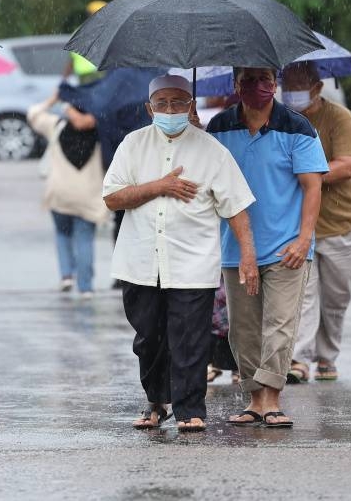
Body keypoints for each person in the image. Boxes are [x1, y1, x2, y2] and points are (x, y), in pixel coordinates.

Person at [104, 74, 257, 433]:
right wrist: (160, 186)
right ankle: (156, 402)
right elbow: (111, 197)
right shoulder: (132, 145)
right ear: (149, 108)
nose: (169, 110)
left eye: (177, 103)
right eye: (162, 104)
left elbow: (236, 206)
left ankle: (190, 408)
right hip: (140, 262)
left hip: (192, 261)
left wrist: (248, 256)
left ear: (191, 106)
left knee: (190, 338)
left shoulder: (212, 151)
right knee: (148, 339)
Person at [206, 67, 327, 428]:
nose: (257, 87)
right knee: (242, 329)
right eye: (248, 80)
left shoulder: (298, 127)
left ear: (275, 84)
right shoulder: (218, 129)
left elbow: (313, 186)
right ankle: (254, 399)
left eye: (264, 79)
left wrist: (304, 238)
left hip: (287, 246)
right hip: (234, 246)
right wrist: (193, 133)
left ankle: (272, 398)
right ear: (235, 85)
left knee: (279, 324)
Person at [281, 62, 351, 383]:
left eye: (299, 85)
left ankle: (327, 355)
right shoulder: (282, 120)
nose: (292, 93)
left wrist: (307, 173)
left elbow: (347, 166)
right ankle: (298, 358)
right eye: (286, 85)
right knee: (303, 294)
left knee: (335, 297)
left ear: (317, 87)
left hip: (340, 223)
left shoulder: (339, 119)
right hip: (299, 224)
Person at [28, 91, 107, 297]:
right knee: (85, 239)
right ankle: (86, 287)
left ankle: (66, 275)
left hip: (59, 193)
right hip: (89, 196)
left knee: (62, 234)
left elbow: (33, 114)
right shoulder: (101, 131)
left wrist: (54, 99)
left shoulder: (56, 126)